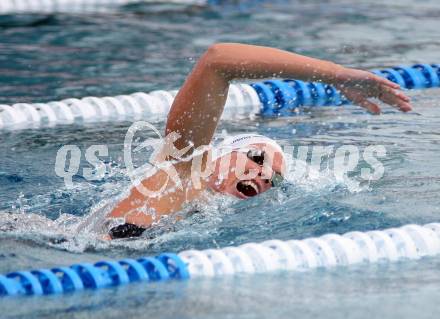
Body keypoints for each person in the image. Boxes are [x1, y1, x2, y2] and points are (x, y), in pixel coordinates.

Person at [106, 43, 412, 239]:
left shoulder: (199, 217)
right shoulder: (182, 173)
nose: (264, 175)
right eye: (256, 157)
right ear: (215, 156)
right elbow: (218, 60)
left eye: (274, 179)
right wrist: (335, 74)